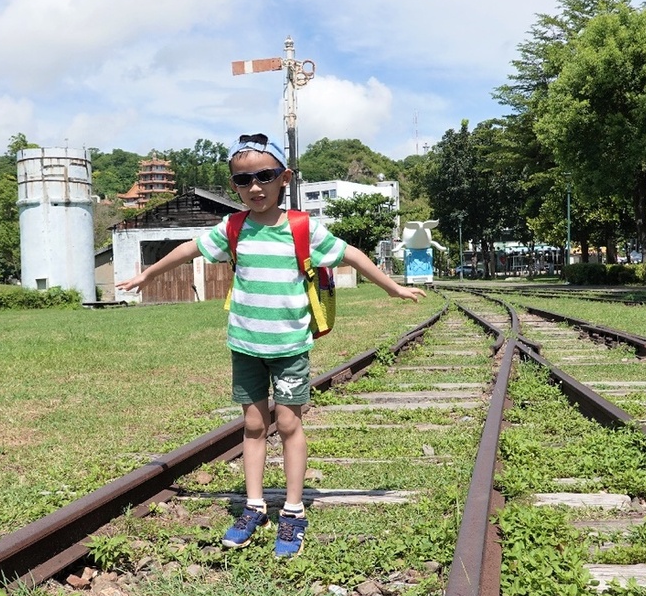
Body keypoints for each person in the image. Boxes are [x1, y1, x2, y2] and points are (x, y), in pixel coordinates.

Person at [115, 133, 425, 557]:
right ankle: (255, 505)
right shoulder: (234, 227)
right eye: (243, 180)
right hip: (245, 345)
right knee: (255, 426)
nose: (255, 187)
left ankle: (293, 511)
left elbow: (351, 254)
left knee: (290, 424)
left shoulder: (302, 228)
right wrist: (148, 275)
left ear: (285, 178)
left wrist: (392, 288)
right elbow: (190, 248)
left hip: (290, 347)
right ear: (234, 186)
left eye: (265, 176)